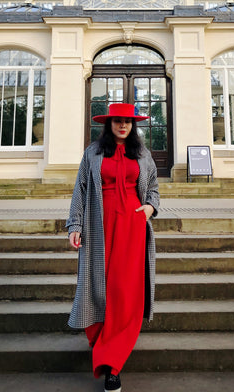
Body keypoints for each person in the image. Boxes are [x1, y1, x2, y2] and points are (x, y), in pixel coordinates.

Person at [66, 103, 160, 392]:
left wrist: (150, 208)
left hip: (132, 228)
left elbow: (154, 188)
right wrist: (75, 225)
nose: (123, 126)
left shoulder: (143, 155)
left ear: (133, 126)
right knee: (98, 284)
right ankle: (101, 337)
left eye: (128, 122)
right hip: (99, 226)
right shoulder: (93, 152)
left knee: (124, 290)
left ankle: (113, 365)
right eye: (118, 121)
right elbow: (80, 187)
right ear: (109, 124)